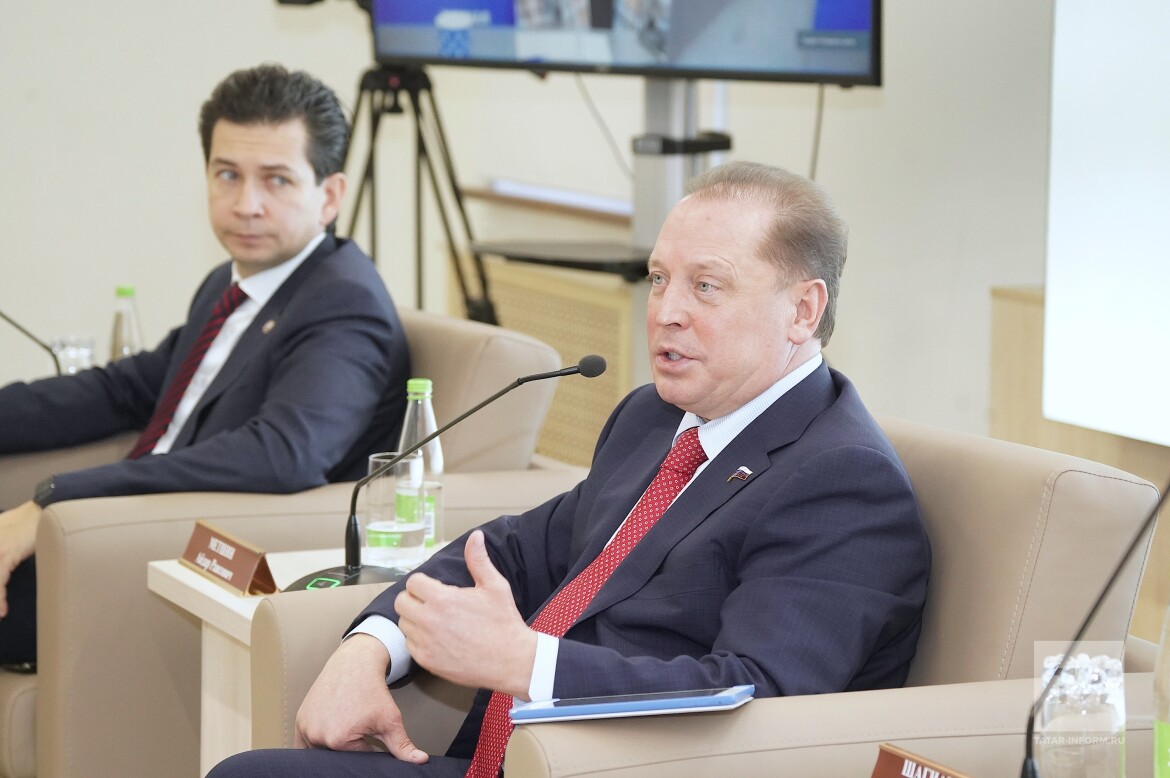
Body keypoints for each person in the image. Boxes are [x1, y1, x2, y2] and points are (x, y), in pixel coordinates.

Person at [210, 161, 930, 777]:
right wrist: (370, 647)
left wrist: (526, 664)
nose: (666, 312)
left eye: (707, 286)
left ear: (802, 310)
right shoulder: (654, 418)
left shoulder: (842, 481)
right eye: (659, 279)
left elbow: (753, 696)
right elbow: (515, 550)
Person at [0, 64, 411, 666]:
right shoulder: (232, 284)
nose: (246, 205)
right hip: (119, 532)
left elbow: (283, 453)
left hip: (173, 560)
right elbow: (123, 390)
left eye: (276, 180)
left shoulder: (343, 303)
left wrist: (56, 497)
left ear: (329, 196)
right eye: (228, 175)